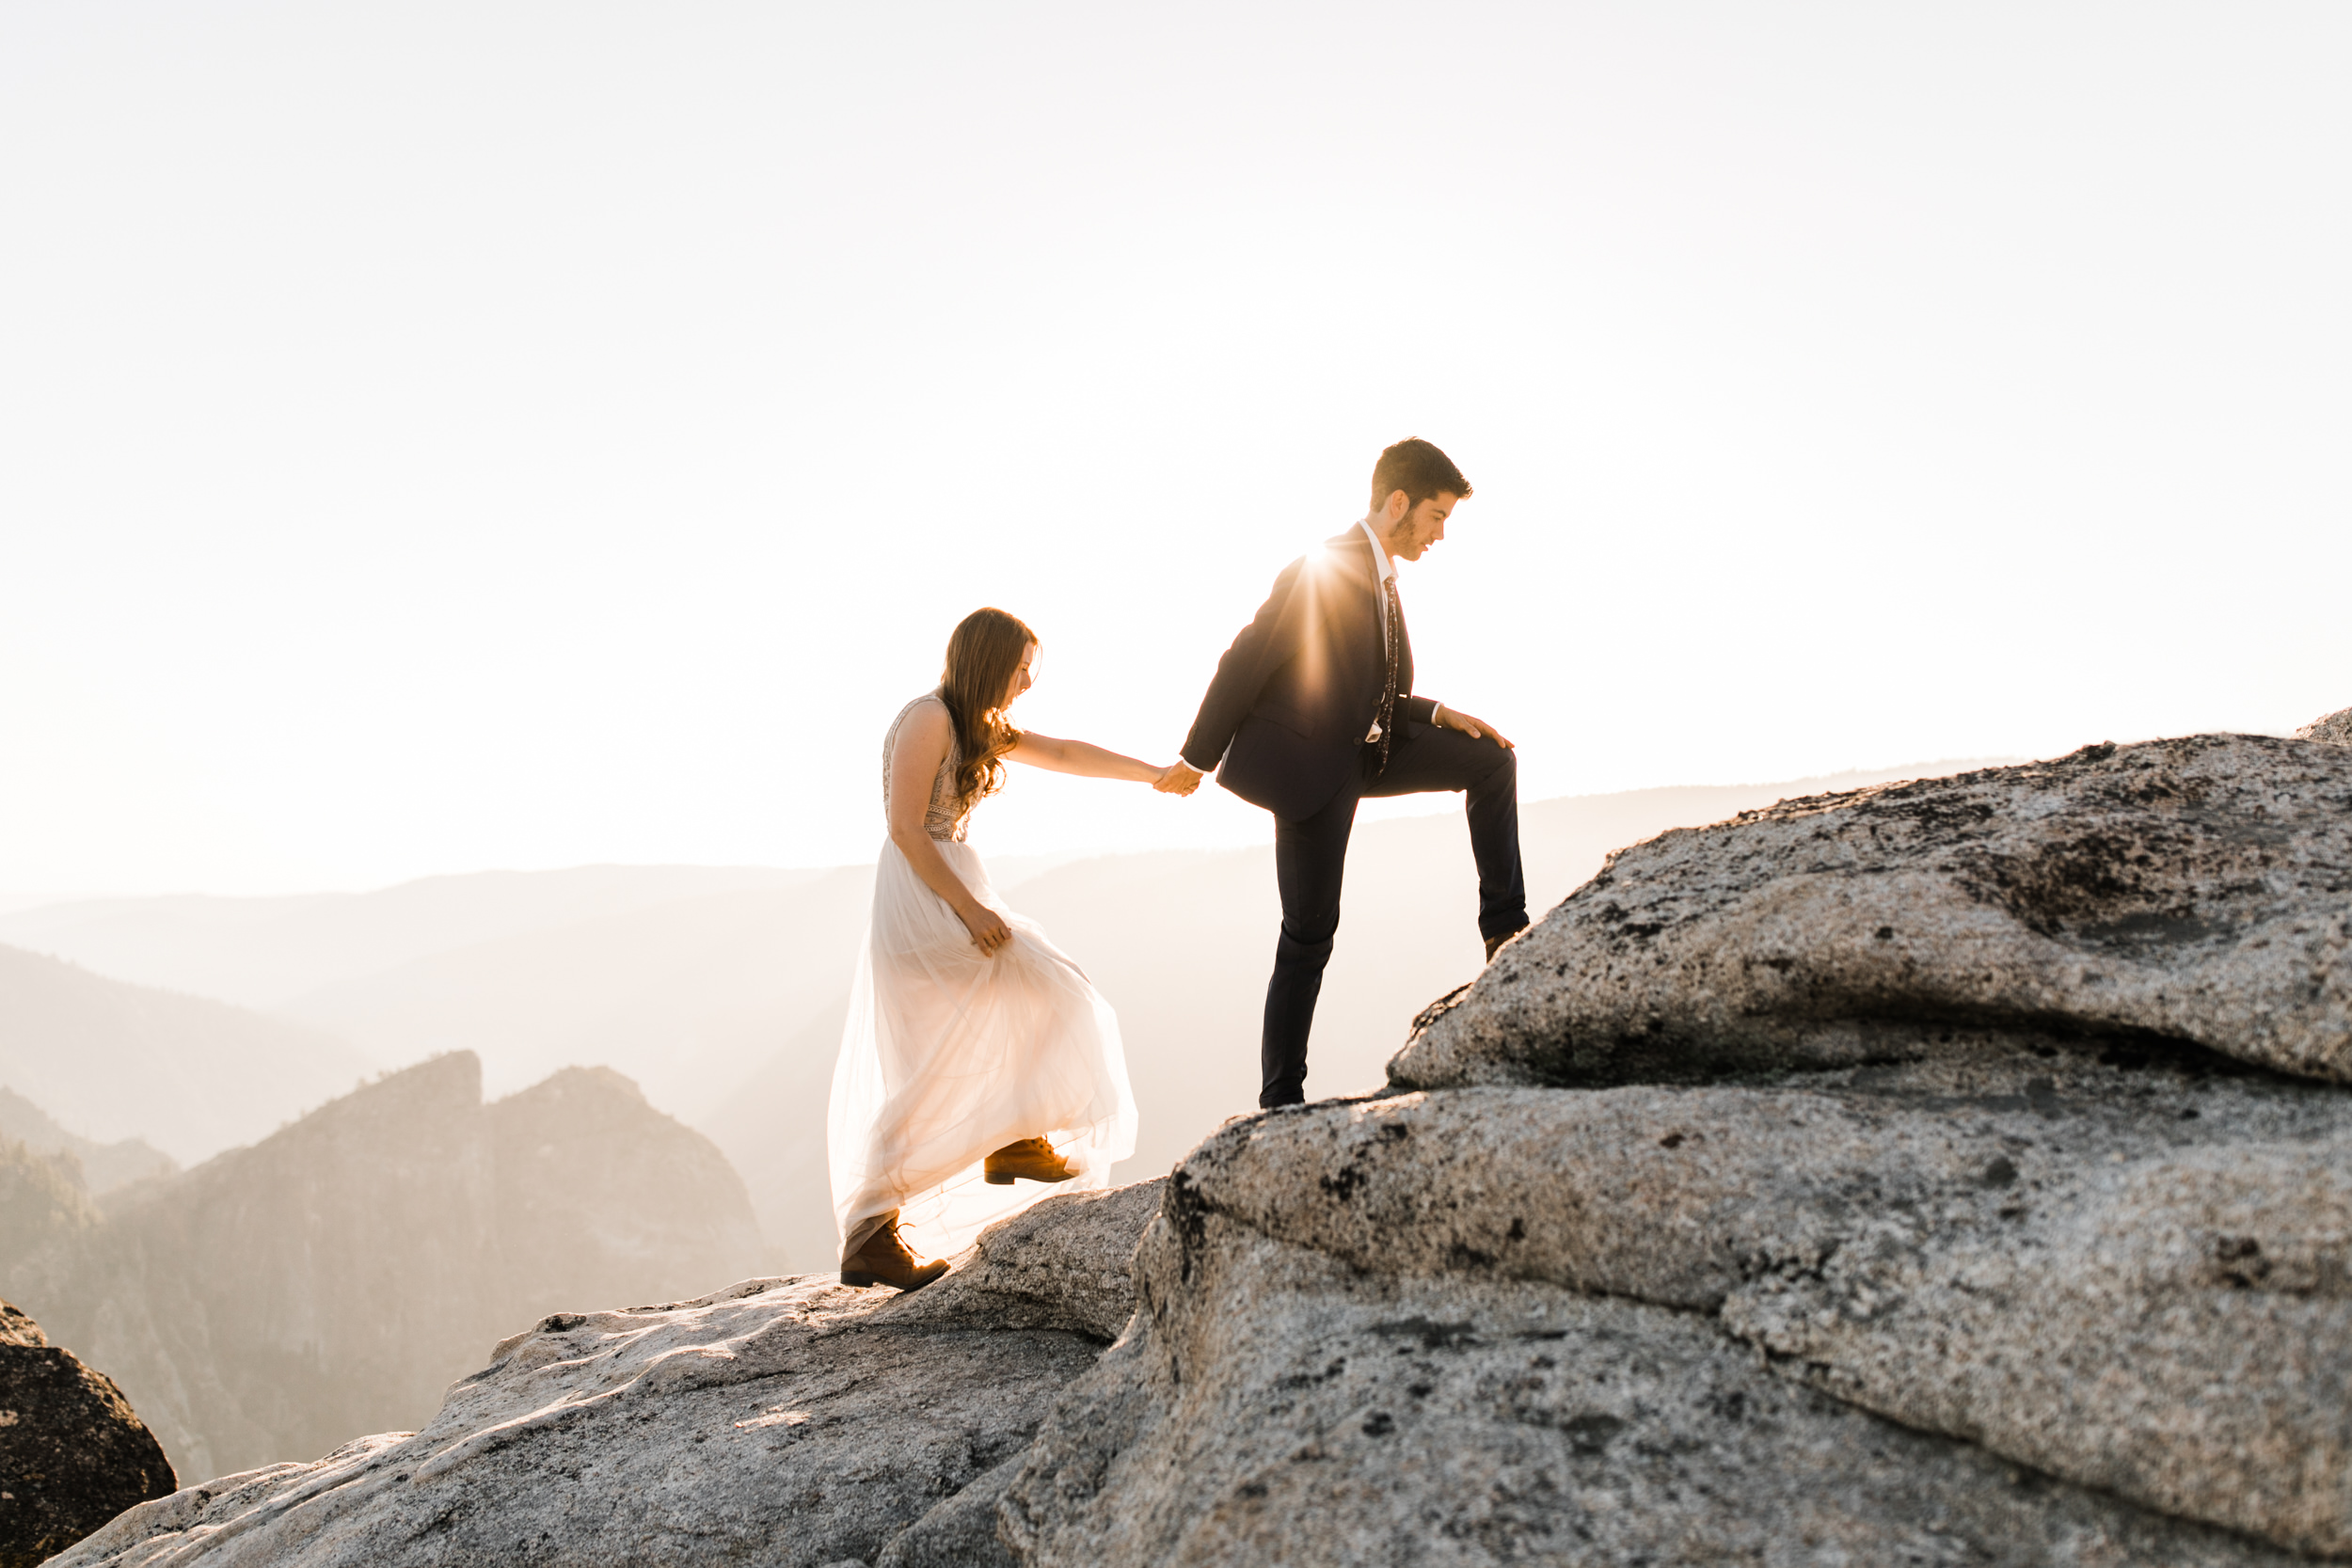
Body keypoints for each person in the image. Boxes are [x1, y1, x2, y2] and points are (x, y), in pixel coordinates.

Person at [829, 607, 1199, 1291]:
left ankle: (996, 1146)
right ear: (989, 661)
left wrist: (1154, 773)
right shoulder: (929, 717)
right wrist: (968, 909)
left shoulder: (978, 724)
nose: (1026, 683)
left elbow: (1062, 753)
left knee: (1004, 1018)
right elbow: (907, 828)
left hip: (950, 887)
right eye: (1021, 669)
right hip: (925, 894)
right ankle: (897, 1211)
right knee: (1041, 998)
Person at [1163, 437, 1527, 1109]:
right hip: (1313, 774)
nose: (1440, 535)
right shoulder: (1324, 567)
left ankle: (1505, 928)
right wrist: (1196, 755)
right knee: (1309, 935)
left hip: (1372, 751)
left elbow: (1372, 691)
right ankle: (1280, 1100)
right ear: (1398, 503)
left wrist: (1441, 712)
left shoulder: (1385, 578)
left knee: (1492, 759)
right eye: (1437, 516)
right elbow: (1247, 658)